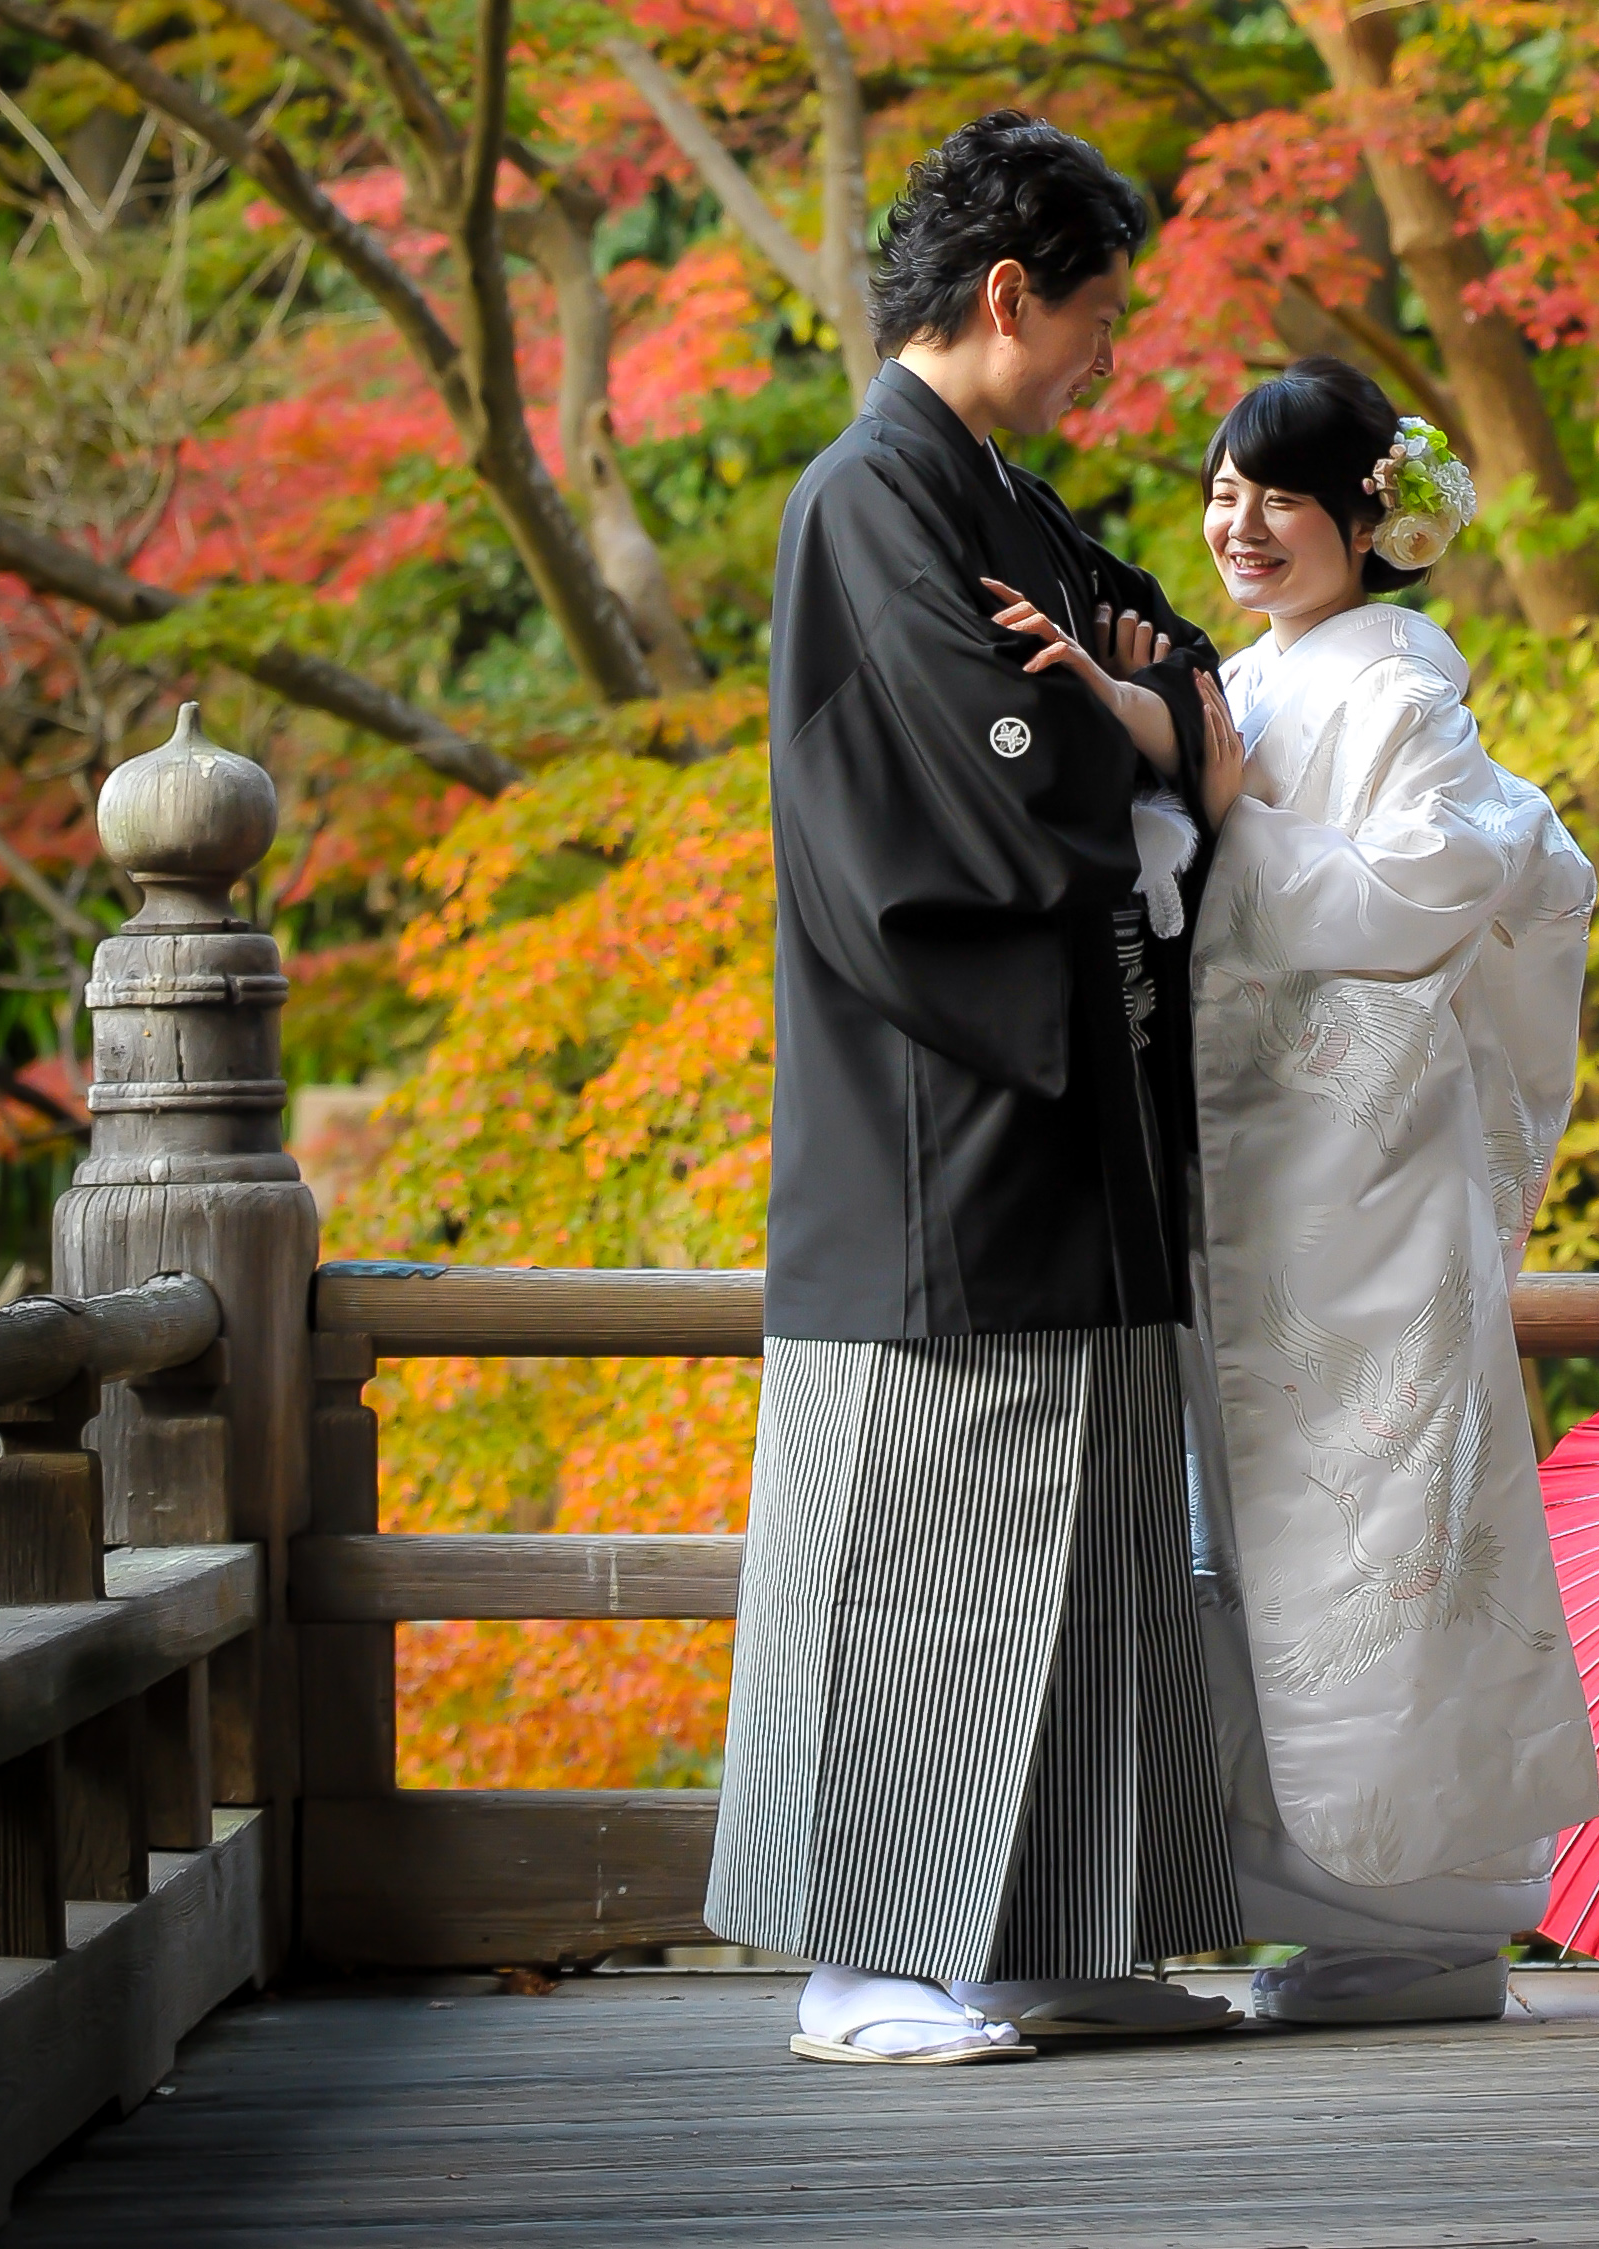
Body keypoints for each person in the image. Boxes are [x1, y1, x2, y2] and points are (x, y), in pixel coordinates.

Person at [703, 111, 1250, 2067]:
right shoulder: (872, 503)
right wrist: (1124, 747)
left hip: (1071, 1118)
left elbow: (1170, 677)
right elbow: (991, 781)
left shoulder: (990, 497)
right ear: (1009, 292)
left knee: (1092, 1545)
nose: (1114, 357)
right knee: (927, 1566)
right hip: (942, 1122)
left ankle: (1039, 1937)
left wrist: (1141, 717)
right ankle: (869, 1968)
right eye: (1098, 314)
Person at [1188, 358, 1599, 2029]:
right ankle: (1328, 1906)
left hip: (1371, 1178)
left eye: (1282, 494)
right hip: (1277, 1162)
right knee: (1270, 1535)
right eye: (1225, 487)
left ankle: (1427, 1923)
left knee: (1385, 1539)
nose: (1242, 521)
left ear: (1372, 517)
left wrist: (1239, 827)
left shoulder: (1404, 680)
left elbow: (1438, 885)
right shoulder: (1250, 675)